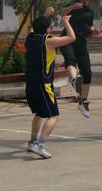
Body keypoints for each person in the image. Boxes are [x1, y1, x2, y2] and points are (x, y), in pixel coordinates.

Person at [25, 14, 76, 159]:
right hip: (43, 83)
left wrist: (47, 14)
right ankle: (39, 144)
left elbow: (37, 26)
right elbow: (72, 37)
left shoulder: (30, 38)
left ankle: (32, 142)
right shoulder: (49, 41)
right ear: (48, 29)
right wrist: (65, 22)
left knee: (40, 113)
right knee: (54, 115)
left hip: (30, 83)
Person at [60, 0, 98, 118]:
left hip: (81, 41)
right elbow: (62, 14)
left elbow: (89, 27)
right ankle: (74, 80)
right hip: (67, 39)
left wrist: (93, 31)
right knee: (71, 60)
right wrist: (72, 7)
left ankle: (83, 102)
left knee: (87, 72)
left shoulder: (91, 10)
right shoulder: (73, 3)